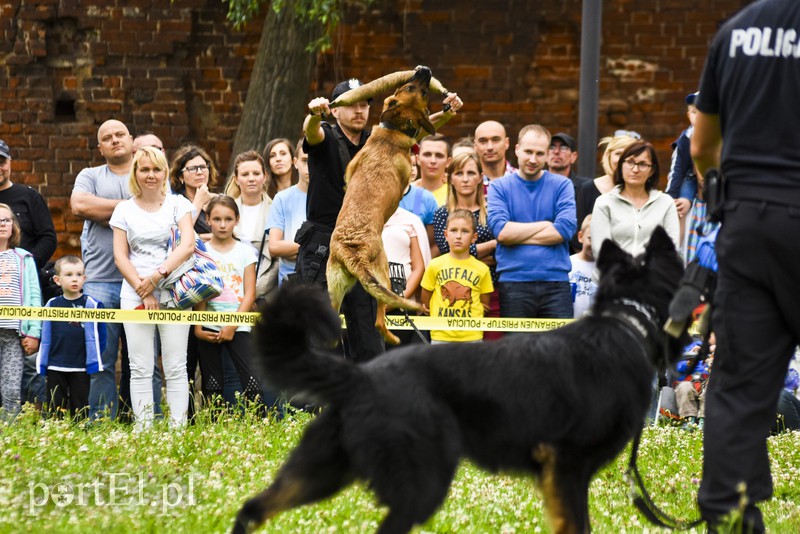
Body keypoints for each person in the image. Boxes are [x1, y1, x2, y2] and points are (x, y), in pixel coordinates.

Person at [690, 2, 800, 530]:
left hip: (747, 222)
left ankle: (730, 513)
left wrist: (727, 197)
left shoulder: (733, 32)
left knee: (737, 382)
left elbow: (702, 145)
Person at [300, 77, 462, 362]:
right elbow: (311, 132)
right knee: (320, 343)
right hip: (323, 248)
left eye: (364, 105)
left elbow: (415, 133)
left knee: (369, 344)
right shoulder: (325, 135)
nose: (359, 110)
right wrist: (313, 114)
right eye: (352, 105)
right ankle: (316, 394)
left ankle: (368, 391)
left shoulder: (377, 139)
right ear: (335, 110)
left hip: (365, 245)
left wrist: (447, 113)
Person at [109, 146, 195, 430]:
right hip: (134, 292)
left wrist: (157, 277)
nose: (151, 175)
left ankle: (177, 429)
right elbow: (120, 256)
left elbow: (187, 245)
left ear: (165, 172)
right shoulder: (123, 209)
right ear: (135, 172)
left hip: (174, 291)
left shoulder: (179, 204)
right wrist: (143, 289)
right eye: (144, 169)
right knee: (140, 366)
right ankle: (143, 429)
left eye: (157, 169)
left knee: (176, 365)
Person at [70, 119, 133, 420]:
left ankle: (146, 423)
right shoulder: (90, 175)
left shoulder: (147, 172)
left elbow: (161, 211)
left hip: (142, 282)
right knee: (101, 362)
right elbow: (80, 206)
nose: (115, 140)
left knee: (143, 361)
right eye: (107, 137)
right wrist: (132, 207)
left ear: (131, 140)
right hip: (99, 280)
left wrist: (105, 209)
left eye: (120, 134)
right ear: (100, 148)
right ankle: (102, 425)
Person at [487, 124, 576, 322]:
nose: (533, 159)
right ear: (517, 149)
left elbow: (564, 230)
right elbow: (501, 233)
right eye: (528, 152)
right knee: (518, 343)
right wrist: (545, 224)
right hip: (514, 282)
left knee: (559, 343)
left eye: (539, 153)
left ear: (547, 155)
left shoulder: (562, 185)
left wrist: (516, 235)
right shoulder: (499, 187)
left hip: (556, 282)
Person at [194, 196, 273, 411]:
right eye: (217, 219)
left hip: (239, 325)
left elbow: (250, 294)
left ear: (236, 220)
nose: (222, 225)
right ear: (207, 220)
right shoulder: (202, 252)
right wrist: (198, 327)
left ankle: (259, 423)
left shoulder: (245, 252)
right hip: (209, 324)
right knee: (212, 383)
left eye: (228, 219)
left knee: (252, 380)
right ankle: (215, 424)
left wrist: (232, 325)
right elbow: (200, 291)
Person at [0, 138, 57, 411]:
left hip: (22, 300)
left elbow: (48, 238)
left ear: (9, 163)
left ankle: (32, 419)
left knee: (29, 368)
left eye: (1, 162)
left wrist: (25, 266)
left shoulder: (28, 196)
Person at [36, 256, 106, 420]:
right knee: (55, 407)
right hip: (55, 364)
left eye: (78, 274)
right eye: (68, 275)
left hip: (81, 366)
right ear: (57, 280)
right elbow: (45, 333)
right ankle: (54, 432)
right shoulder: (51, 304)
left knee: (80, 407)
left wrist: (93, 356)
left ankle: (80, 433)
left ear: (84, 278)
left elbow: (101, 336)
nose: (74, 279)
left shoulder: (93, 305)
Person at [591, 141, 680, 258]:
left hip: (655, 269)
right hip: (614, 269)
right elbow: (600, 249)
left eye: (642, 164)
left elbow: (672, 247)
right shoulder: (604, 202)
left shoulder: (666, 202)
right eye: (630, 162)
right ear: (621, 166)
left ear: (652, 170)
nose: (635, 169)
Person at [421, 209, 493, 343]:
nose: (458, 236)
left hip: (472, 337)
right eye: (453, 230)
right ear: (446, 235)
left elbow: (484, 303)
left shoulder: (482, 269)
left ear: (474, 237)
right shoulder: (434, 265)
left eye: (465, 231)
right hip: (440, 336)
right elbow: (426, 298)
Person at [0, 204, 41, 420]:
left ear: (13, 226)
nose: (2, 224)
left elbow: (34, 297)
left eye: (6, 220)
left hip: (13, 335)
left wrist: (33, 332)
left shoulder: (24, 258)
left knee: (11, 389)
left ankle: (10, 431)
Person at [225, 150, 278, 304]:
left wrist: (252, 294)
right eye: (245, 174)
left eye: (256, 173)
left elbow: (278, 261)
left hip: (265, 296)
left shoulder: (275, 210)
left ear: (264, 177)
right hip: (229, 294)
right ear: (236, 179)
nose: (251, 179)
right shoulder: (225, 210)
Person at [575, 132, 639, 232]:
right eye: (618, 153)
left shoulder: (642, 192)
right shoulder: (587, 189)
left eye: (628, 154)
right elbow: (577, 233)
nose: (622, 159)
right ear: (608, 156)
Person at [267, 140, 309, 285]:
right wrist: (315, 248)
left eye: (316, 160)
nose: (310, 166)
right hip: (291, 280)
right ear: (295, 163)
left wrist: (292, 249)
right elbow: (274, 247)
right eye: (305, 161)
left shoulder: (332, 198)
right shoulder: (282, 198)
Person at [169, 144, 219, 241]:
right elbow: (178, 237)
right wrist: (198, 203)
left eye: (203, 167)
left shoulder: (220, 200)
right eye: (192, 169)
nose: (200, 172)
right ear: (181, 176)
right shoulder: (175, 203)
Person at [666, 92, 700, 219]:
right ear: (688, 115)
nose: (699, 116)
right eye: (694, 112)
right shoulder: (685, 139)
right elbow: (677, 170)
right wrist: (670, 197)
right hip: (690, 177)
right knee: (680, 205)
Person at [569, 214, 597, 318]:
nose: (595, 244)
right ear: (580, 237)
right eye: (590, 238)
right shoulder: (568, 264)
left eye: (599, 239)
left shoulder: (607, 269)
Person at [415, 134, 451, 206]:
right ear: (417, 159)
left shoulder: (455, 193)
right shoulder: (405, 193)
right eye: (427, 155)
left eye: (439, 156)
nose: (433, 161)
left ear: (448, 162)